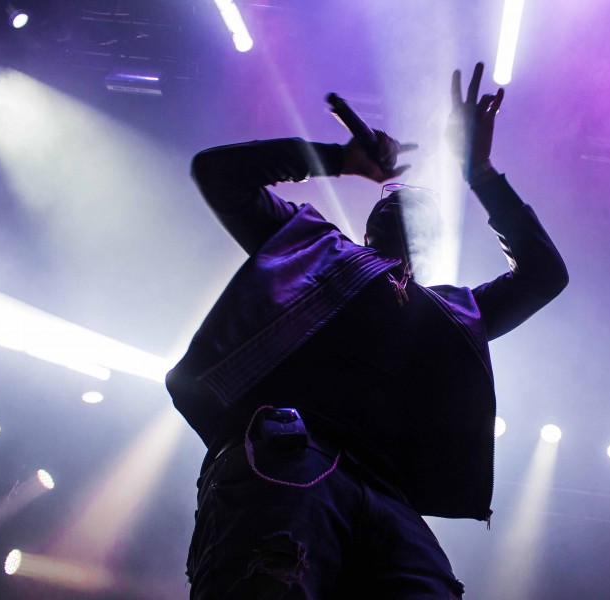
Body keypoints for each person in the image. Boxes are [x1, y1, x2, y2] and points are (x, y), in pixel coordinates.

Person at [166, 62, 568, 599]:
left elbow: (544, 273)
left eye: (419, 215)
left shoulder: (455, 313)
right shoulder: (312, 248)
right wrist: (338, 160)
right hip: (292, 450)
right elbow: (219, 174)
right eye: (394, 206)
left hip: (389, 498)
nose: (406, 211)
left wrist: (480, 170)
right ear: (369, 225)